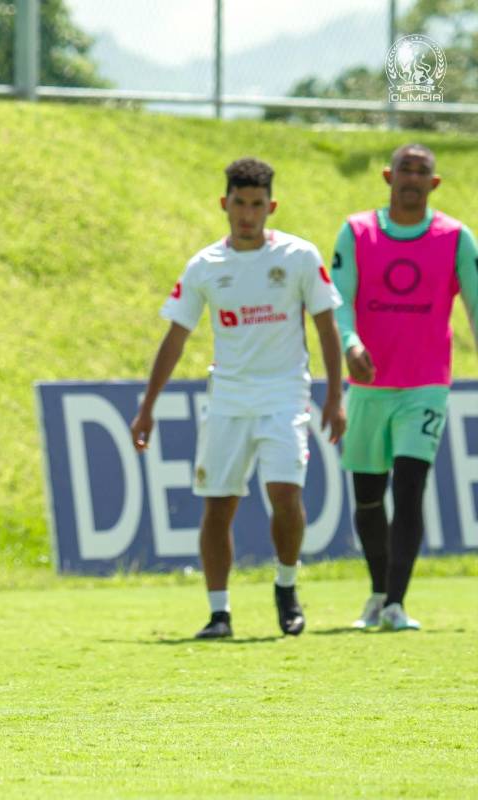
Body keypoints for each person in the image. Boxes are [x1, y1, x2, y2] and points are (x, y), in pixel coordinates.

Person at [130, 157, 346, 640]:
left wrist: (335, 396)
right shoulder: (205, 266)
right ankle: (218, 612)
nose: (248, 214)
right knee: (218, 504)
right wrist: (148, 407)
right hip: (228, 397)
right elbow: (176, 337)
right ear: (224, 204)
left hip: (286, 394)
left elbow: (326, 326)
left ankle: (285, 586)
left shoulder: (298, 256)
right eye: (239, 204)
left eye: (257, 205)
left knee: (285, 494)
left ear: (271, 206)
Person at [332, 143, 478, 632]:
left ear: (434, 183)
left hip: (426, 386)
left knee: (411, 489)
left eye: (422, 172)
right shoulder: (357, 232)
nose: (412, 178)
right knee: (368, 499)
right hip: (369, 385)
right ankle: (376, 592)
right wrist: (350, 343)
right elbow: (340, 301)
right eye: (405, 170)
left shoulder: (457, 237)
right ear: (387, 175)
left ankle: (396, 603)